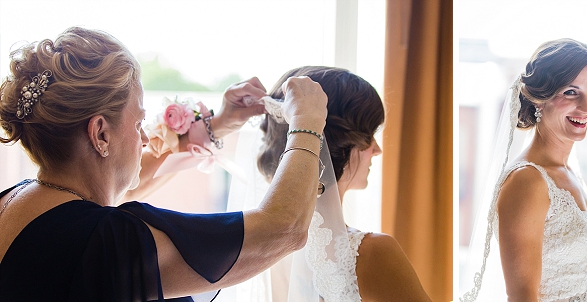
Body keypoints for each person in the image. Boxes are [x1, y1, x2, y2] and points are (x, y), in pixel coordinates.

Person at [0, 27, 328, 301]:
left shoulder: (16, 202)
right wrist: (307, 123)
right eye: (138, 122)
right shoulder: (107, 240)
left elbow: (128, 180)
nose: (144, 139)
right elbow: (281, 230)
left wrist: (216, 125)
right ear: (100, 133)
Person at [220, 66, 431, 301]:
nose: (377, 150)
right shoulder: (371, 254)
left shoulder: (254, 247)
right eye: (369, 136)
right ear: (340, 144)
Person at [460, 39, 587, 302]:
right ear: (540, 99)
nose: (585, 107)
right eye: (571, 92)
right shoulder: (528, 181)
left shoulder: (567, 171)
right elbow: (521, 296)